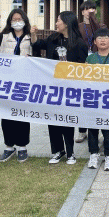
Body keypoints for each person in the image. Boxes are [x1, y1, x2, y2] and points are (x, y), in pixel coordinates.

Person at [33, 11, 88, 165]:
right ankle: (57, 151)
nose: (56, 23)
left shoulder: (79, 43)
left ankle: (70, 153)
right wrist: (33, 34)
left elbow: (82, 68)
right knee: (52, 119)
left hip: (70, 89)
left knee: (66, 120)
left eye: (58, 20)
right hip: (52, 87)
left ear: (67, 23)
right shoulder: (53, 39)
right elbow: (37, 45)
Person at [0, 9, 35, 163]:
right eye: (14, 19)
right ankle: (9, 146)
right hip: (6, 81)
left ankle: (22, 146)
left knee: (22, 114)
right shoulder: (5, 36)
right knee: (7, 114)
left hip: (23, 82)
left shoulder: (30, 37)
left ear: (25, 20)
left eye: (20, 19)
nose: (17, 22)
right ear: (10, 22)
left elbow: (38, 54)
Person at [85, 28, 109, 171]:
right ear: (95, 42)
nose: (102, 40)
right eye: (99, 38)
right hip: (93, 98)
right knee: (92, 127)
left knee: (108, 128)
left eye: (106, 38)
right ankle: (93, 154)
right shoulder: (90, 59)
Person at [76, 0, 104, 143]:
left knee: (97, 98)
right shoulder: (78, 26)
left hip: (97, 63)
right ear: (82, 12)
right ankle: (82, 131)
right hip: (82, 63)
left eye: (92, 8)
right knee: (82, 98)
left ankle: (98, 130)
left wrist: (93, 19)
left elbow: (99, 33)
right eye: (86, 9)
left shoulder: (101, 25)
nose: (89, 11)